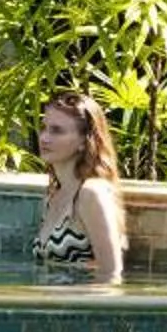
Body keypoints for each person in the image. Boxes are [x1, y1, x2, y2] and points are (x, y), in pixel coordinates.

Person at [33, 91, 126, 283]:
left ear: (85, 141)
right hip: (51, 308)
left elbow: (111, 273)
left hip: (79, 309)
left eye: (57, 130)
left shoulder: (91, 193)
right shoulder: (54, 195)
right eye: (44, 128)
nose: (44, 138)